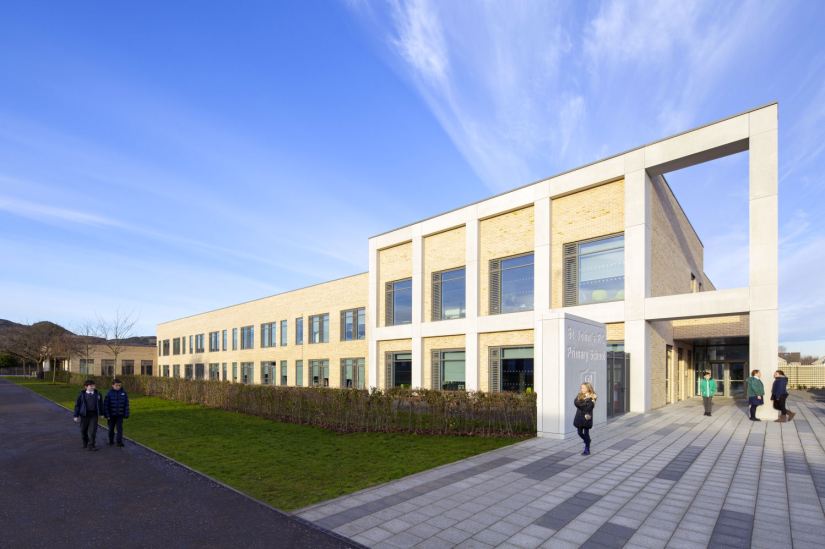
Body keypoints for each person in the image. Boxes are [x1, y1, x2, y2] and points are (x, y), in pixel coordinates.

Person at [73, 379, 104, 451]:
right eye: (91, 386)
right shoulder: (81, 395)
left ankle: (92, 445)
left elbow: (101, 405)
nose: (93, 387)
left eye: (94, 386)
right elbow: (77, 405)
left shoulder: (98, 394)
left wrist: (102, 413)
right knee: (83, 430)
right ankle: (85, 442)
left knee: (93, 431)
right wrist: (76, 415)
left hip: (94, 415)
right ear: (86, 387)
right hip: (84, 415)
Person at [103, 378, 130, 447]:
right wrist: (107, 415)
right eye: (116, 385)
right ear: (113, 385)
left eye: (119, 385)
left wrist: (126, 413)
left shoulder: (123, 393)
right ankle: (111, 441)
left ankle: (119, 442)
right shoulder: (109, 393)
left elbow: (126, 404)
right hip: (111, 415)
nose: (118, 387)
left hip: (120, 415)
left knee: (119, 429)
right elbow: (106, 405)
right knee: (111, 429)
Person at [574, 382, 597, 455]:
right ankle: (588, 441)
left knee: (586, 433)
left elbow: (589, 407)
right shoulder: (579, 395)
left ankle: (587, 449)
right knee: (579, 433)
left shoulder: (593, 396)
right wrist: (584, 403)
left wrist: (581, 404)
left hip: (586, 418)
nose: (582, 389)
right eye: (581, 388)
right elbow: (575, 403)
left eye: (583, 388)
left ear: (588, 388)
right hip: (579, 417)